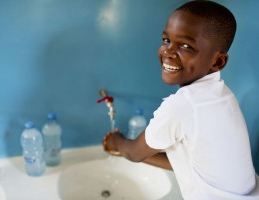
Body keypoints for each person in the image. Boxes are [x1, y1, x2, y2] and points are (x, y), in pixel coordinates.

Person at [102, 1, 259, 199]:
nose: (168, 51)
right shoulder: (223, 96)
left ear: (217, 61)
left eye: (186, 46)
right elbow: (188, 163)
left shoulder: (183, 105)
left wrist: (116, 141)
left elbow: (134, 152)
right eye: (166, 40)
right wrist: (132, 153)